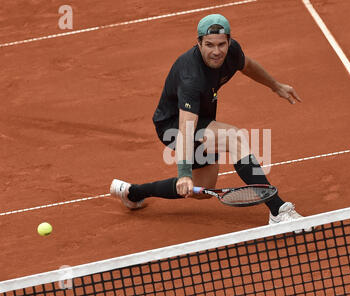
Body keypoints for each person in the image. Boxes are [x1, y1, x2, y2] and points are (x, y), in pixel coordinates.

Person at [110, 13, 311, 228]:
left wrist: (275, 85)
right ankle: (278, 211)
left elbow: (248, 66)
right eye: (209, 45)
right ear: (198, 43)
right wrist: (184, 173)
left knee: (202, 188)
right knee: (233, 137)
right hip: (173, 126)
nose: (216, 51)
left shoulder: (231, 52)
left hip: (202, 120)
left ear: (229, 41)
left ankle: (133, 193)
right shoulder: (191, 77)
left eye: (221, 44)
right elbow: (187, 128)